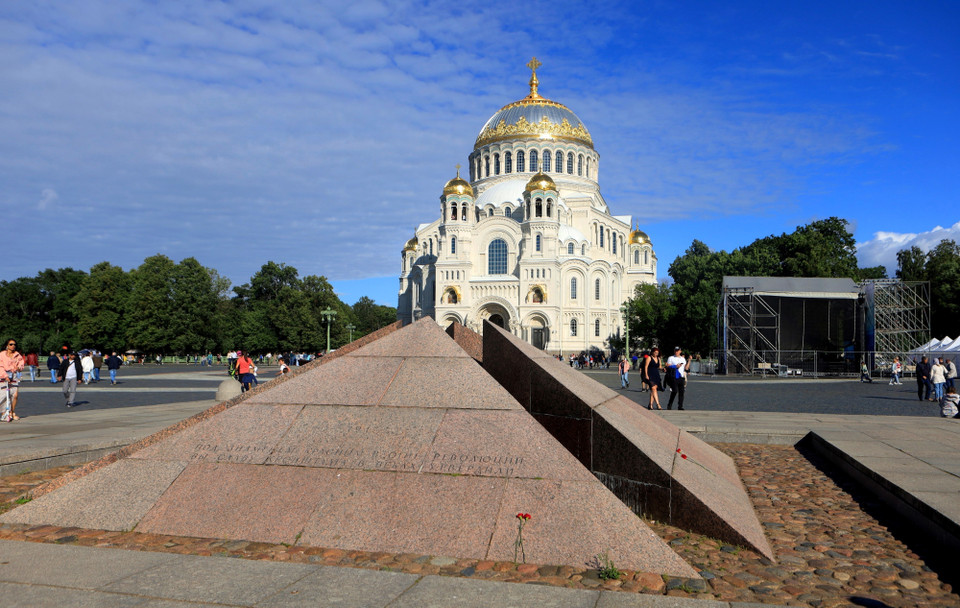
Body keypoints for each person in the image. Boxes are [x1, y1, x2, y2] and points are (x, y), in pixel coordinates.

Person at [0, 339, 25, 421]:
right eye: (11, 344)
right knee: (4, 395)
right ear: (7, 345)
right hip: (3, 376)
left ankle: (12, 412)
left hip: (13, 376)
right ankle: (4, 413)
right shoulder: (2, 354)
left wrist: (19, 368)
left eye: (14, 344)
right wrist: (5, 376)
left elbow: (21, 364)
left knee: (15, 395)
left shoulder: (17, 355)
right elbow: (0, 366)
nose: (13, 346)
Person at [665, 346, 691, 410]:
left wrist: (689, 360)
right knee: (674, 391)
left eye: (678, 351)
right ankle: (669, 404)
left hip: (681, 377)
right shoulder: (671, 358)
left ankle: (680, 406)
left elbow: (686, 368)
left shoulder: (682, 359)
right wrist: (675, 366)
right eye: (675, 351)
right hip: (674, 377)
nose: (676, 352)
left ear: (680, 351)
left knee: (681, 392)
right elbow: (667, 366)